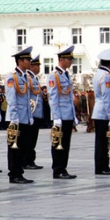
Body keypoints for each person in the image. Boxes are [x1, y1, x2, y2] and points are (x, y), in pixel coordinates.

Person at [5, 46, 35, 184]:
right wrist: (14, 117)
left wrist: (29, 117)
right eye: (27, 59)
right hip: (16, 119)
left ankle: (19, 172)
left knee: (22, 147)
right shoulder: (12, 77)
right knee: (14, 147)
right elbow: (11, 99)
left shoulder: (25, 76)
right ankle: (14, 174)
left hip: (24, 117)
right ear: (20, 61)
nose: (30, 62)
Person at [47, 46, 78, 179]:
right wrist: (56, 117)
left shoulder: (66, 75)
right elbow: (53, 97)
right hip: (60, 116)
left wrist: (74, 116)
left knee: (65, 144)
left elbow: (69, 98)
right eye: (69, 59)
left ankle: (63, 168)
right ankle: (58, 169)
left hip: (68, 115)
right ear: (61, 59)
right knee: (58, 144)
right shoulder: (54, 76)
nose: (71, 61)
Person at [92, 48, 110, 175]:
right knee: (103, 142)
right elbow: (107, 97)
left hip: (100, 112)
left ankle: (102, 166)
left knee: (102, 141)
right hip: (104, 113)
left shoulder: (99, 73)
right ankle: (102, 167)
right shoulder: (106, 76)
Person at [24, 55, 45, 170]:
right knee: (29, 139)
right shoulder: (28, 78)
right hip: (31, 112)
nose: (39, 68)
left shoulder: (35, 78)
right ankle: (27, 161)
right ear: (31, 66)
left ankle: (30, 160)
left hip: (36, 113)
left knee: (33, 138)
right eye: (37, 65)